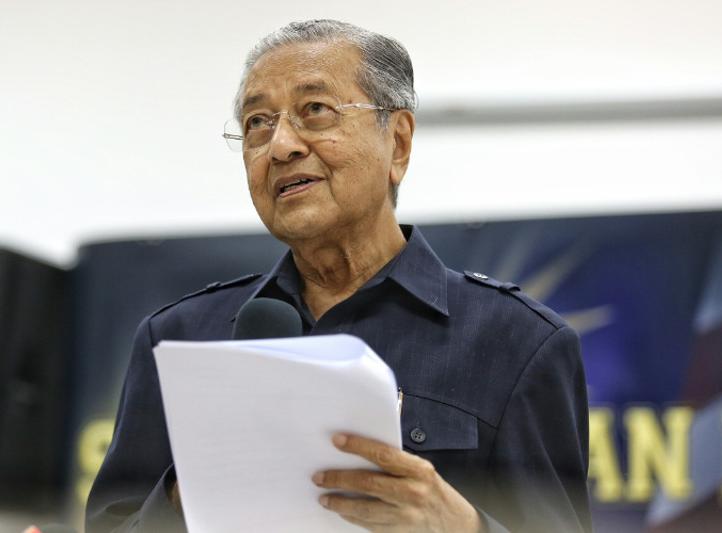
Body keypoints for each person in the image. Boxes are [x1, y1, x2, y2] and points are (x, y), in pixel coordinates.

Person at [86, 19, 592, 533]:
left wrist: (463, 527)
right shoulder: (178, 338)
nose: (280, 145)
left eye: (315, 110)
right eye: (257, 122)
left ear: (398, 143)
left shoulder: (519, 343)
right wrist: (187, 492)